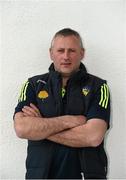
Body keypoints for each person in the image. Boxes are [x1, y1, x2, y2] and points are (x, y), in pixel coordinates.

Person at [14, 28, 110, 179]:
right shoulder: (33, 85)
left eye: (71, 50)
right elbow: (22, 128)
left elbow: (93, 136)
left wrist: (41, 127)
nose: (66, 56)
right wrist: (71, 121)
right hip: (40, 176)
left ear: (82, 53)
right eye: (60, 50)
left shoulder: (98, 87)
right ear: (51, 53)